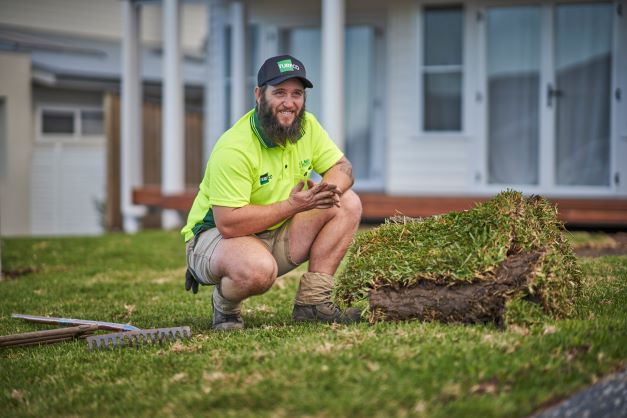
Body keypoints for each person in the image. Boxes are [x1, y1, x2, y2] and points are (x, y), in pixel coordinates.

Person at [181, 54, 362, 331]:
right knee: (258, 271)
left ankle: (313, 303)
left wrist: (327, 191)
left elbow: (342, 166)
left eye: (297, 94)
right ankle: (225, 306)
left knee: (346, 202)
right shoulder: (235, 147)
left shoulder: (307, 126)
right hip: (215, 236)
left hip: (274, 228)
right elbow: (228, 223)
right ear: (258, 95)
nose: (289, 103)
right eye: (279, 93)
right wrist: (292, 206)